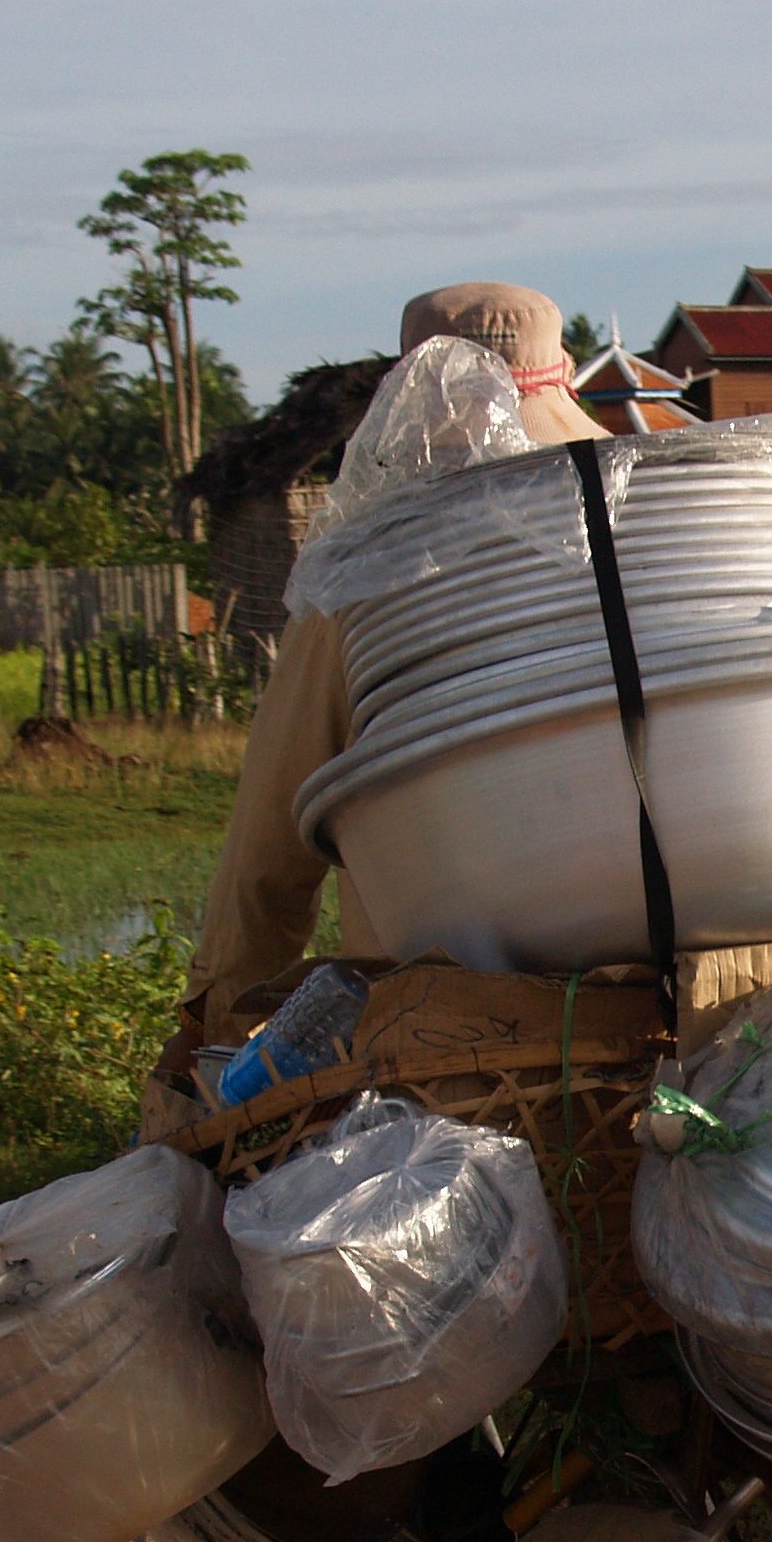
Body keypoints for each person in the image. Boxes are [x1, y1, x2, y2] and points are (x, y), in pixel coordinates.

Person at [155, 283, 605, 1099]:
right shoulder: (657, 534)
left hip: (446, 1037)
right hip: (664, 1012)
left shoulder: (364, 582)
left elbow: (268, 849)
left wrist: (213, 1022)